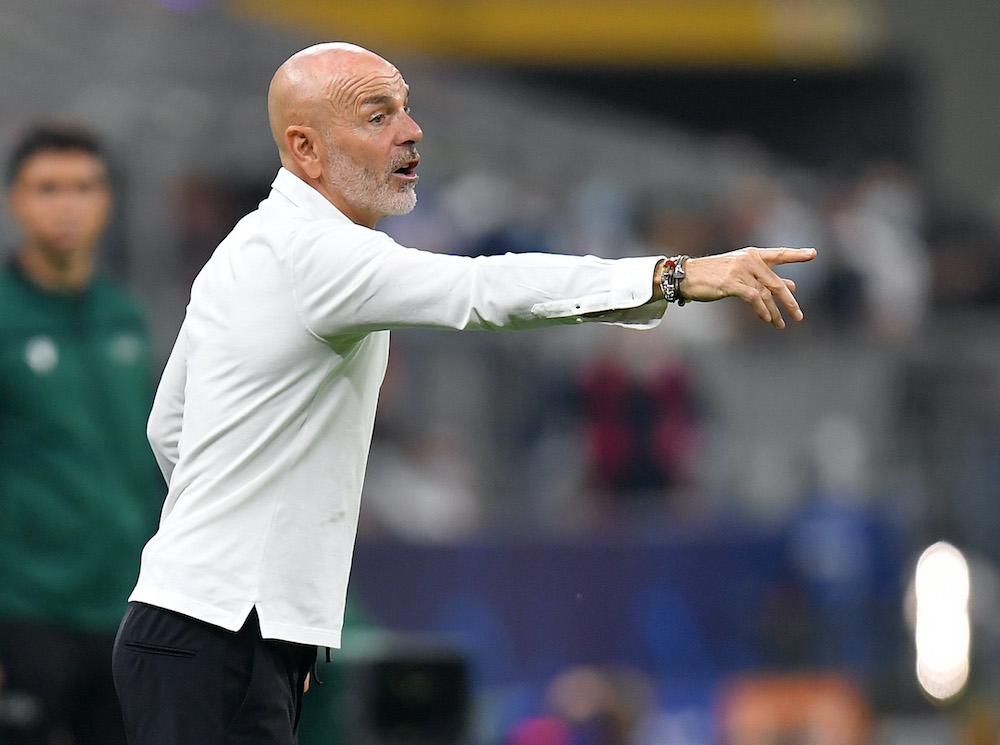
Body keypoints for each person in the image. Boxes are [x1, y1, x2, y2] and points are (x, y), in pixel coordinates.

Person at [112, 42, 816, 745]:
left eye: (406, 108)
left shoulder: (252, 243)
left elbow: (168, 428)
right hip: (216, 637)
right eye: (378, 115)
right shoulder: (317, 252)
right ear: (306, 147)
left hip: (209, 631)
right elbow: (484, 291)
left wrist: (268, 609)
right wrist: (675, 275)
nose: (411, 130)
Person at [0, 124, 161, 745]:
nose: (67, 204)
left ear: (108, 201)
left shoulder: (125, 315)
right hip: (27, 610)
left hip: (127, 606)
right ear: (15, 200)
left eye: (84, 187)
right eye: (47, 188)